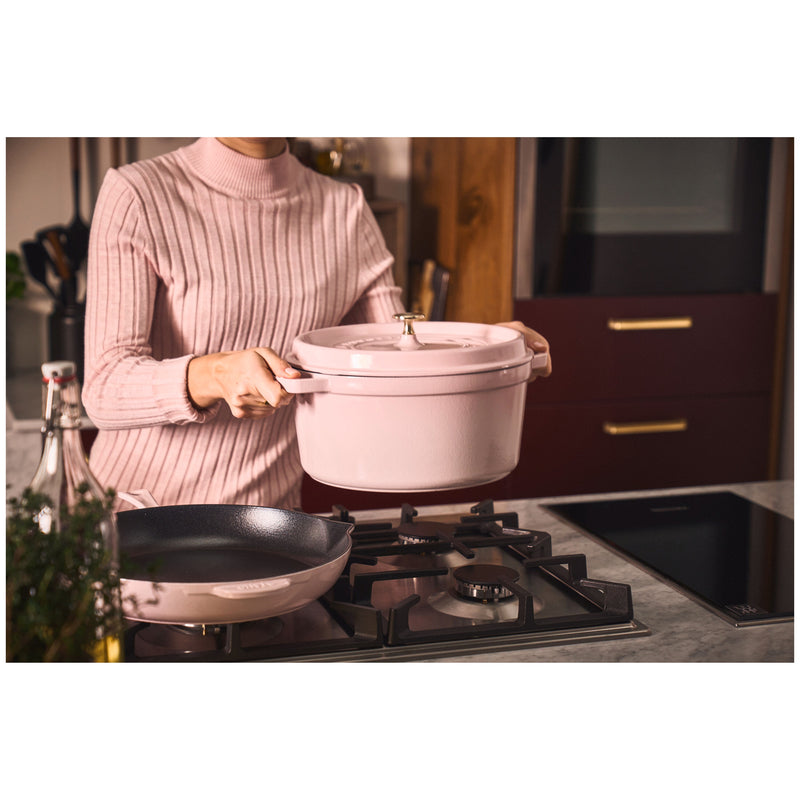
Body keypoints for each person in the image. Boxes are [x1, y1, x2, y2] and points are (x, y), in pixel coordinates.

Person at [82, 137, 551, 510]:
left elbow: (400, 360)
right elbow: (104, 387)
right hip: (138, 520)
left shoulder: (344, 209)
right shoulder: (137, 194)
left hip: (272, 528)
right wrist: (216, 374)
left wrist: (490, 345)